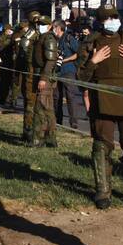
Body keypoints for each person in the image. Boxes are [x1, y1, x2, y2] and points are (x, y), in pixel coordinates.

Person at [77, 3, 123, 210]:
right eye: (107, 18)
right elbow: (81, 76)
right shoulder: (91, 42)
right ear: (99, 21)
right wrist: (93, 61)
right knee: (101, 146)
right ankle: (103, 192)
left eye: (114, 16)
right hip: (102, 99)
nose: (111, 21)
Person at [31, 16, 58, 147]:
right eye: (38, 24)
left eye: (42, 24)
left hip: (45, 77)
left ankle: (39, 139)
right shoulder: (41, 37)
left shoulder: (49, 38)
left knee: (41, 108)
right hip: (40, 74)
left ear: (49, 26)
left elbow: (51, 60)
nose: (39, 26)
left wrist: (43, 78)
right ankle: (49, 139)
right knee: (47, 109)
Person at [55, 20, 82, 129]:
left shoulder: (69, 39)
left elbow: (77, 54)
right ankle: (58, 121)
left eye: (54, 27)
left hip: (68, 71)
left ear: (58, 28)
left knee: (70, 96)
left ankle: (73, 123)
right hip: (57, 71)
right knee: (57, 97)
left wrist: (65, 60)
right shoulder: (54, 40)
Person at [20, 12, 41, 142]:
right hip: (31, 72)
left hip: (38, 72)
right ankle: (28, 131)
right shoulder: (31, 34)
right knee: (30, 103)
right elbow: (25, 46)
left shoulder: (39, 34)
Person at [0, 23, 14, 107]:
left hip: (11, 62)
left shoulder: (13, 37)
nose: (10, 31)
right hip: (4, 62)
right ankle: (3, 99)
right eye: (9, 30)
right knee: (4, 82)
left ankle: (11, 100)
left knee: (12, 82)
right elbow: (0, 48)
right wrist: (8, 41)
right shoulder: (1, 38)